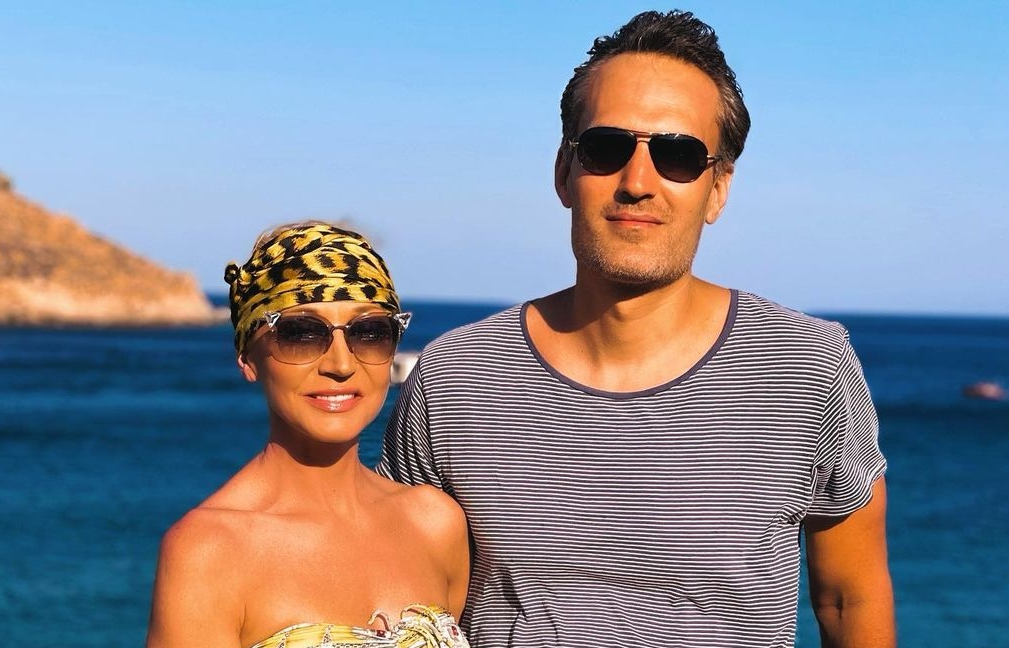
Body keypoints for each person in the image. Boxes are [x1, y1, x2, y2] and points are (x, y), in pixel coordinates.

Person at [379, 10, 895, 648]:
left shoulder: (809, 367)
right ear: (564, 171)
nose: (637, 183)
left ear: (718, 188)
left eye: (678, 155)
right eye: (606, 148)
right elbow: (401, 602)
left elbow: (850, 598)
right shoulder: (453, 378)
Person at [146, 222, 470, 648]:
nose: (341, 364)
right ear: (247, 356)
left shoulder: (435, 523)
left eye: (370, 333)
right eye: (300, 334)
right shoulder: (209, 550)